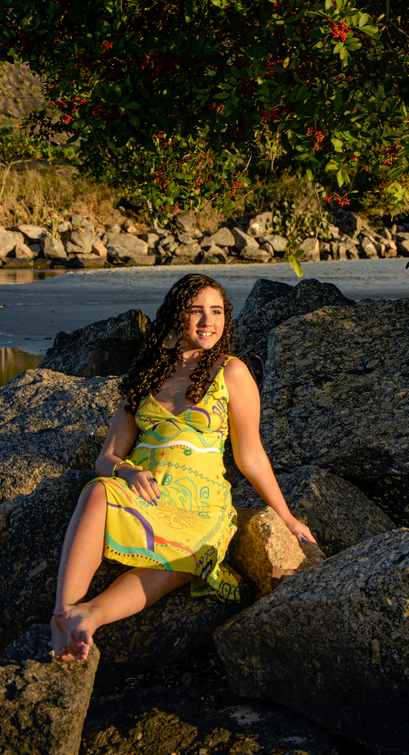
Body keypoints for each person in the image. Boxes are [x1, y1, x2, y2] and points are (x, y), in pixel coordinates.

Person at [49, 273, 314, 663]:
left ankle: (91, 616)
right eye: (196, 311)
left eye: (216, 311)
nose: (208, 321)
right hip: (145, 493)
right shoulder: (145, 378)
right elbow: (106, 458)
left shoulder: (230, 372)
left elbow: (251, 456)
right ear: (177, 317)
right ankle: (63, 615)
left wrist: (286, 518)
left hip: (201, 505)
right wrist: (127, 472)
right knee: (97, 490)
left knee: (187, 557)